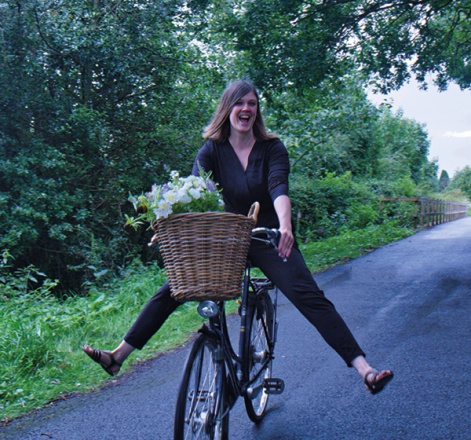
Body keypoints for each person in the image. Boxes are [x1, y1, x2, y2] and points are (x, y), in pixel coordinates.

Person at [83, 80, 394, 395]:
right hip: (227, 240)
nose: (246, 109)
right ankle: (117, 356)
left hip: (268, 236)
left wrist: (285, 226)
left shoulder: (272, 148)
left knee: (308, 296)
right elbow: (192, 195)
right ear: (227, 108)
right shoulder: (212, 150)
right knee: (174, 288)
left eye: (252, 103)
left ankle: (364, 369)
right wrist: (166, 225)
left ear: (257, 110)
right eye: (239, 103)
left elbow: (278, 189)